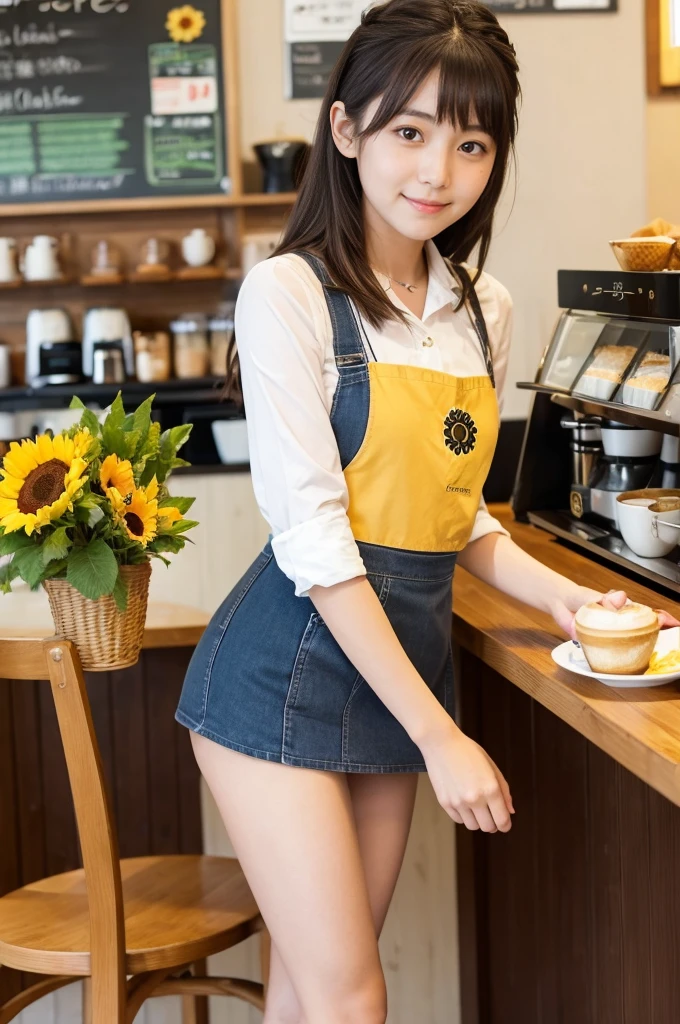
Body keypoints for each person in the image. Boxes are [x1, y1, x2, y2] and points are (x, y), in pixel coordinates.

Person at [176, 3, 674, 1021]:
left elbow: (463, 521)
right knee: (353, 994)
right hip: (277, 673)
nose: (436, 170)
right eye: (409, 130)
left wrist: (584, 607)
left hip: (393, 676)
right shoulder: (288, 296)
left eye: (469, 141)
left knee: (310, 987)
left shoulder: (480, 309)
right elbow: (315, 543)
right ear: (346, 128)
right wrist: (440, 736)